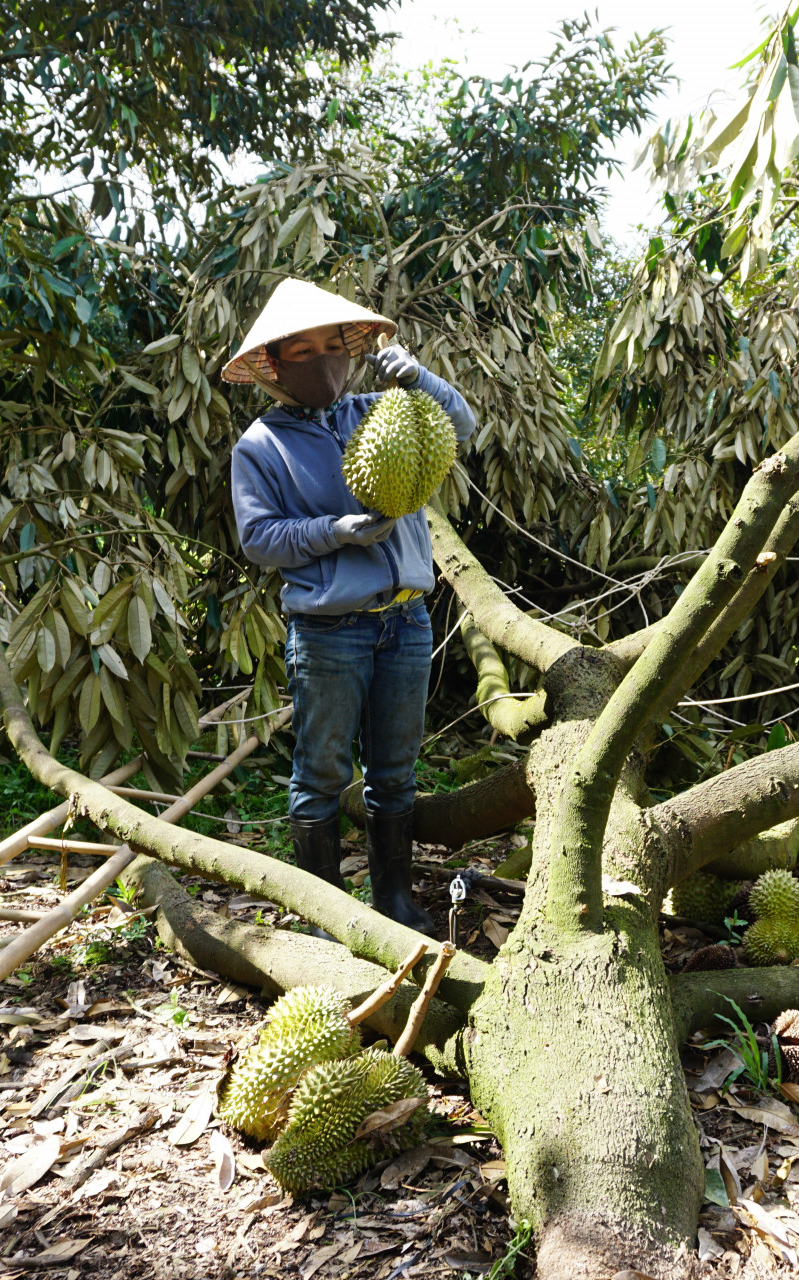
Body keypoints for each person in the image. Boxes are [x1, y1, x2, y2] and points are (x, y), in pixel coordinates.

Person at [223, 280, 477, 938]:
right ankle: (323, 917)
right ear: (273, 365)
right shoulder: (258, 447)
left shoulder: (381, 410)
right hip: (329, 632)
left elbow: (464, 427)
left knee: (395, 772)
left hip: (406, 622)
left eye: (331, 347)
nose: (323, 363)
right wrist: (337, 530)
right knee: (323, 774)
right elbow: (260, 542)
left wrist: (419, 379)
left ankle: (392, 902)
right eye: (301, 351)